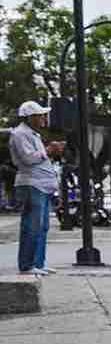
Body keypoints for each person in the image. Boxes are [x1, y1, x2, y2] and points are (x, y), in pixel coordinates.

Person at [8, 100, 64, 276]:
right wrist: (48, 150)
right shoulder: (20, 134)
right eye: (40, 115)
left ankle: (38, 263)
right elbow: (28, 159)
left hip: (42, 186)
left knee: (42, 227)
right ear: (30, 117)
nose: (43, 118)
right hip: (31, 185)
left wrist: (51, 151)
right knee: (32, 227)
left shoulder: (33, 134)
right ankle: (27, 265)